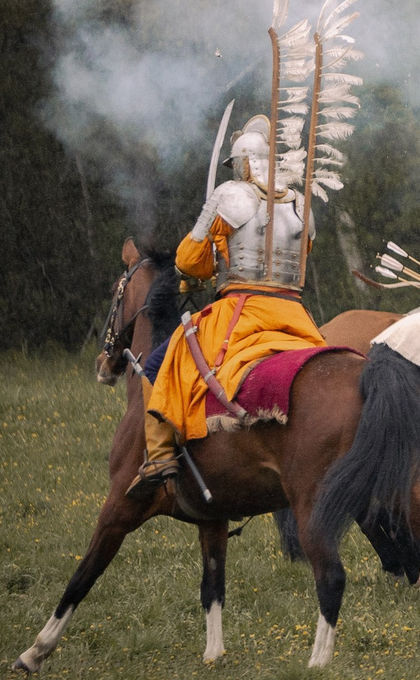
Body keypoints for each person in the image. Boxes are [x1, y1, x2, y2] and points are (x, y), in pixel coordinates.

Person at [132, 117, 325, 496]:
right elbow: (303, 253)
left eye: (235, 164)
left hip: (241, 312)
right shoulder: (300, 202)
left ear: (243, 163)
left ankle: (159, 455)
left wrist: (212, 262)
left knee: (158, 364)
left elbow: (188, 261)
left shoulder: (232, 195)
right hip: (295, 315)